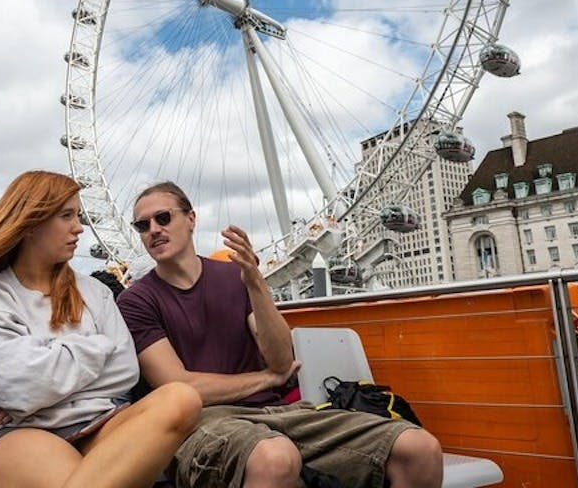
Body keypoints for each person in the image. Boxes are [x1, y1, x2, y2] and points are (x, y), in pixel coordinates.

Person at [0, 170, 201, 488]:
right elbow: (9, 385)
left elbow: (123, 372)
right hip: (16, 433)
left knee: (181, 398)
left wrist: (37, 388)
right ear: (31, 223)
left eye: (78, 216)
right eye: (66, 216)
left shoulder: (96, 292)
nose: (78, 227)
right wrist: (96, 346)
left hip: (95, 422)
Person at [117, 182, 444, 488]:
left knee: (419, 448)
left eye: (162, 218)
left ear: (190, 219)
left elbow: (282, 359)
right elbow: (180, 388)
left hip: (281, 415)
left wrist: (256, 283)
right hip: (201, 424)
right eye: (142, 226)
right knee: (275, 458)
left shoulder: (235, 277)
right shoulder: (136, 301)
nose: (154, 231)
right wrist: (267, 379)